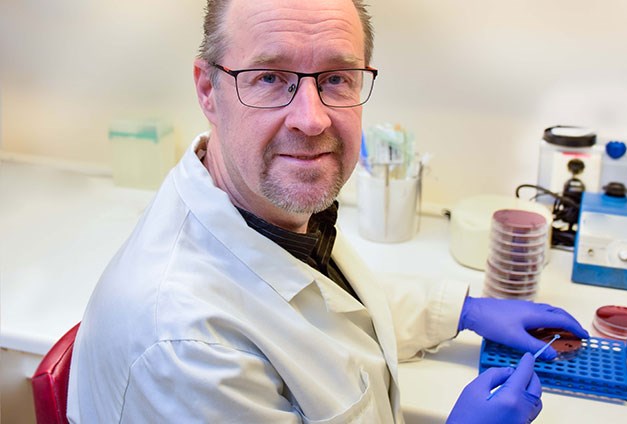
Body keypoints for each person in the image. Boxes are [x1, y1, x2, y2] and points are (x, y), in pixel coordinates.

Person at [67, 0, 588, 422]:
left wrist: (462, 311)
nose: (312, 119)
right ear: (209, 90)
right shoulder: (186, 349)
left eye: (337, 78)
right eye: (270, 77)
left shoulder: (259, 212)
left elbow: (318, 311)